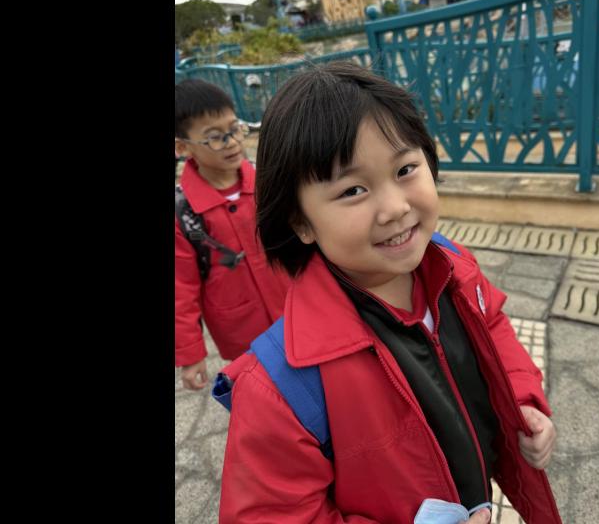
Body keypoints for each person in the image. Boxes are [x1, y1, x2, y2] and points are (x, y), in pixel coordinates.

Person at [217, 62, 561, 523]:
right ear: (300, 222)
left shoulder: (452, 265)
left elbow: (493, 327)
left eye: (405, 169)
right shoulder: (280, 387)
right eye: (353, 190)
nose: (396, 208)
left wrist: (523, 400)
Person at [175, 79, 290, 390]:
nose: (231, 142)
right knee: (267, 393)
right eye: (215, 137)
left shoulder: (267, 180)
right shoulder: (183, 212)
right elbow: (181, 287)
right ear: (182, 147)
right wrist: (191, 354)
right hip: (243, 330)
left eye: (234, 129)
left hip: (296, 306)